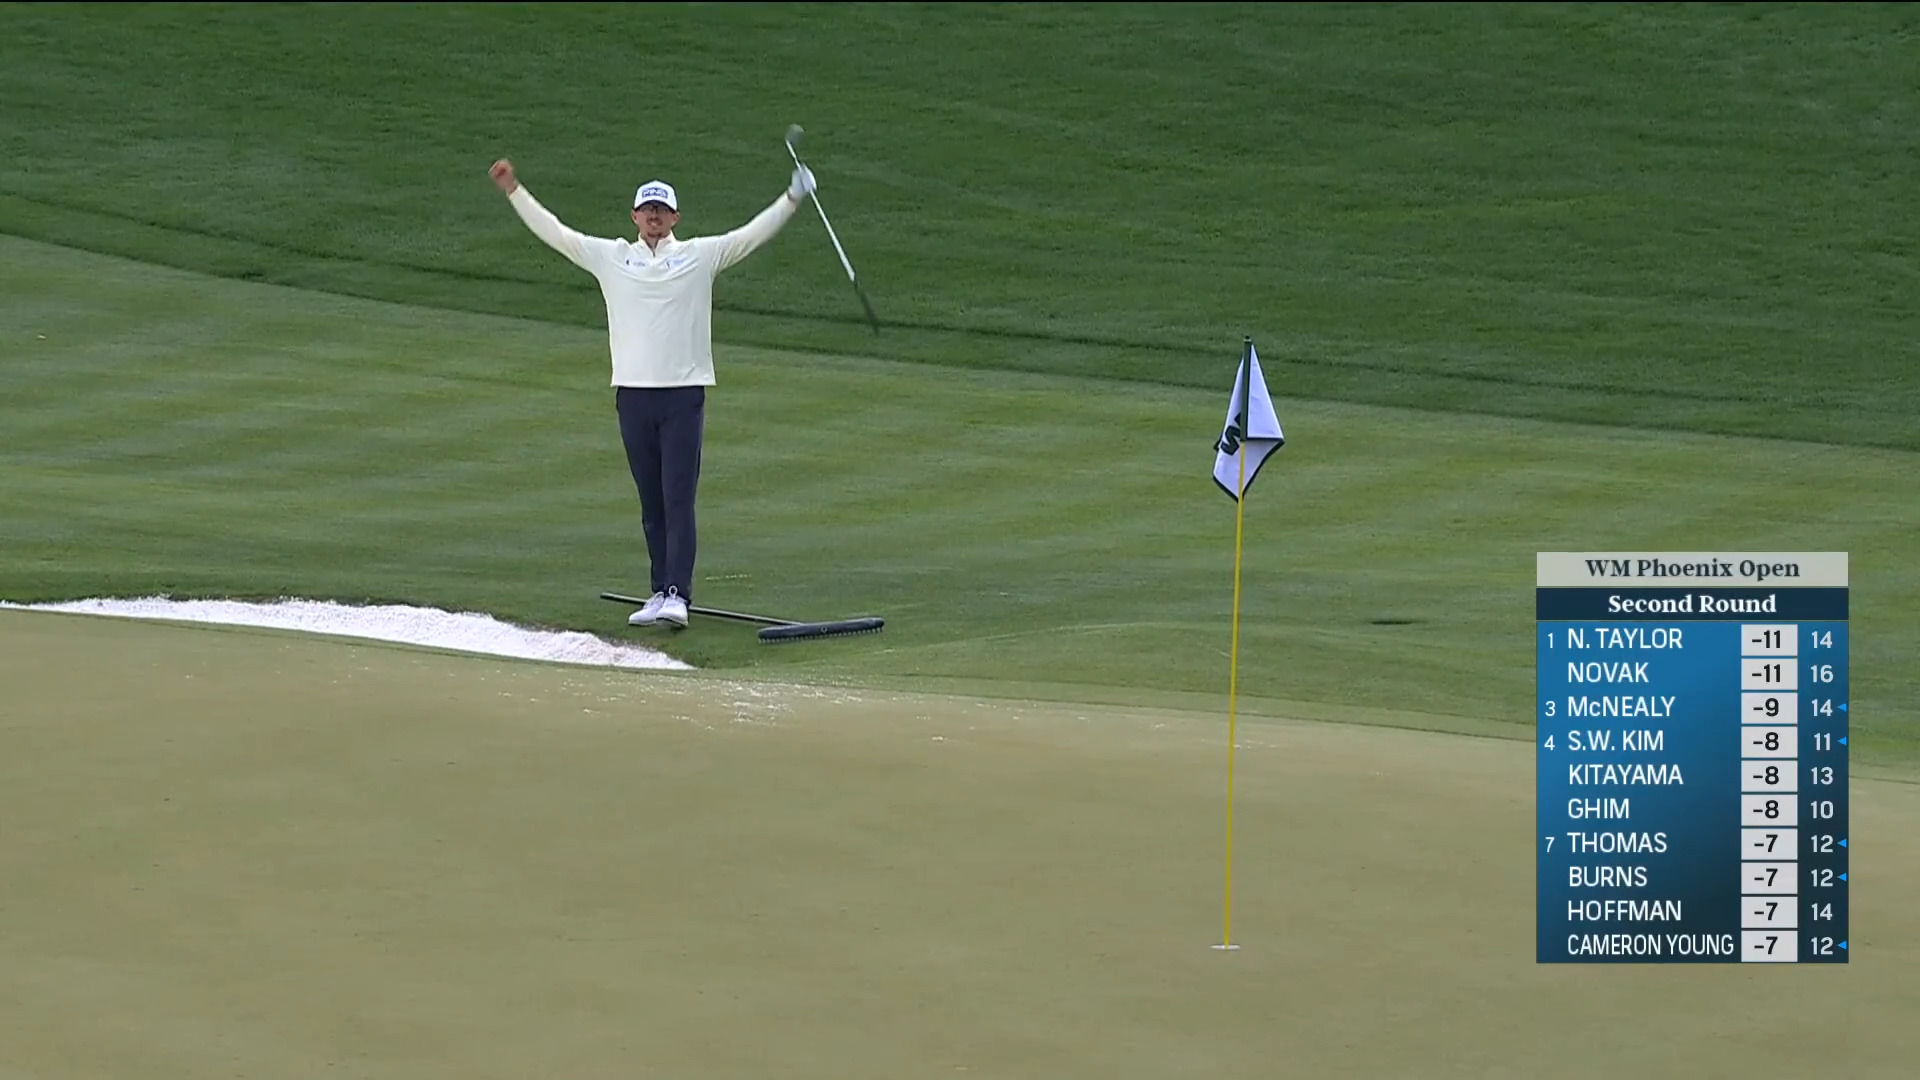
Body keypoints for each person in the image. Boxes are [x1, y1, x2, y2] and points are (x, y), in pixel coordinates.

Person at [488, 157, 815, 629]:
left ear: (675, 218)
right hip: (633, 395)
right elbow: (556, 232)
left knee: (678, 497)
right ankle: (660, 590)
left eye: (663, 210)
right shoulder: (611, 256)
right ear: (635, 216)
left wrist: (792, 197)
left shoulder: (700, 256)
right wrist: (514, 189)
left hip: (682, 394)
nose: (655, 216)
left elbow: (750, 235)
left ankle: (678, 594)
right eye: (647, 209)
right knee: (651, 502)